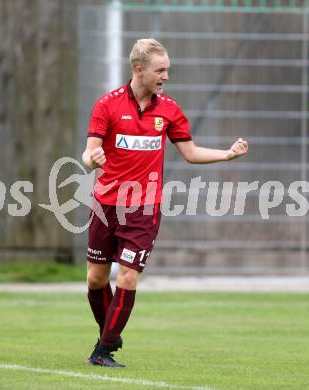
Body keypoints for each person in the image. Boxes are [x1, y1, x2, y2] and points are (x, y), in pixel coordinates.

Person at [82, 38, 248, 367]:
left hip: (144, 207)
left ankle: (104, 349)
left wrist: (226, 155)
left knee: (127, 277)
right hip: (105, 204)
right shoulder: (108, 105)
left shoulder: (169, 110)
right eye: (160, 70)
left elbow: (190, 152)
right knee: (96, 280)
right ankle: (109, 335)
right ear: (139, 71)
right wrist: (91, 160)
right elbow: (89, 153)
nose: (166, 76)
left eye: (168, 70)